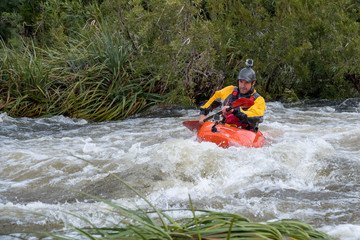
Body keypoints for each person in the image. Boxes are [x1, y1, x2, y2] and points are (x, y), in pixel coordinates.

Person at [198, 59, 265, 132]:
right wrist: (203, 114)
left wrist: (234, 111)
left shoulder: (259, 100)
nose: (243, 85)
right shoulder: (229, 90)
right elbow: (212, 100)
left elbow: (255, 117)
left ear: (253, 83)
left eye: (246, 83)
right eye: (241, 82)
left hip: (245, 132)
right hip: (225, 128)